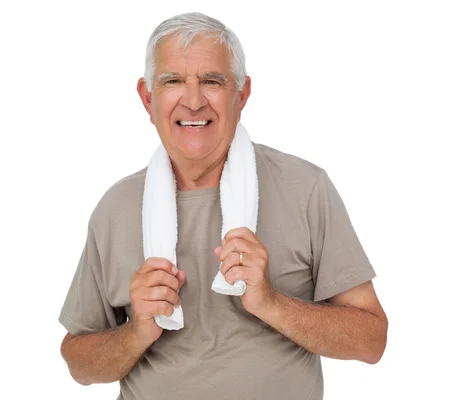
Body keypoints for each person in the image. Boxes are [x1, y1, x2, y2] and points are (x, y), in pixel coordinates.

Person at [58, 11, 388, 400]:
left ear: (242, 94)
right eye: (172, 81)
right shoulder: (115, 209)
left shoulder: (306, 188)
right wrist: (136, 332)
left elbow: (372, 341)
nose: (194, 101)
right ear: (148, 98)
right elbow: (78, 363)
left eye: (212, 81)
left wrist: (271, 302)